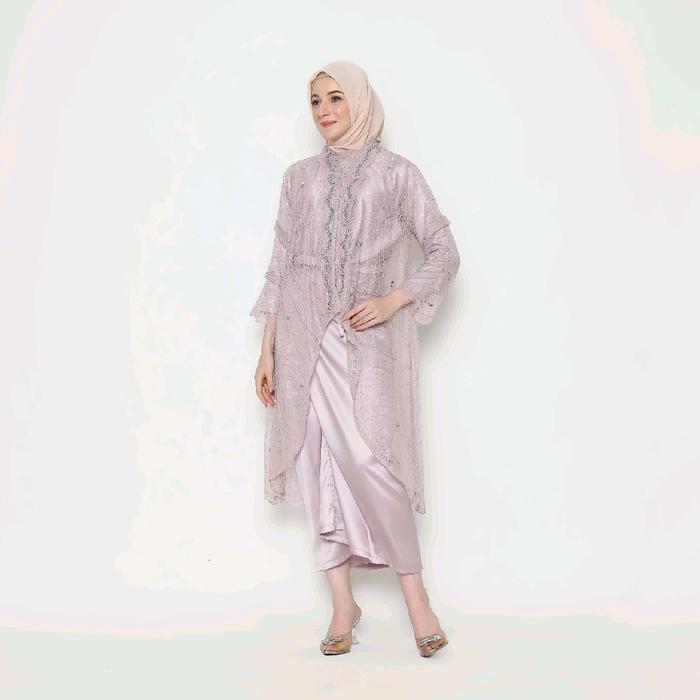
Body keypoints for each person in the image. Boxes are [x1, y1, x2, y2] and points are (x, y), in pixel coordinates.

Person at [251, 60, 460, 657]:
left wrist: (394, 299)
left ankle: (417, 601)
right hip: (299, 343)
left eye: (336, 98)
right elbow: (281, 266)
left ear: (361, 101)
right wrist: (267, 351)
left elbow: (444, 251)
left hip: (363, 347)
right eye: (315, 101)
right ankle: (343, 604)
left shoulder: (397, 175)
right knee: (315, 464)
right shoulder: (298, 178)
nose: (324, 111)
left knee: (372, 462)